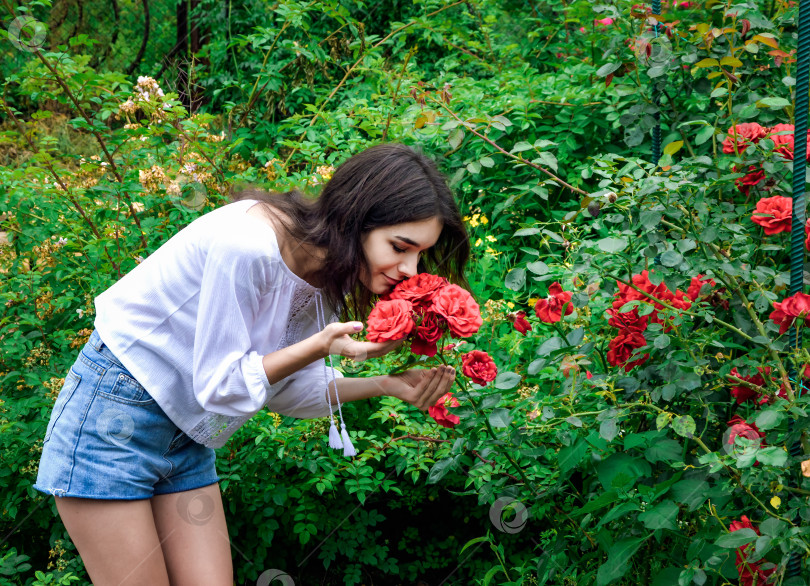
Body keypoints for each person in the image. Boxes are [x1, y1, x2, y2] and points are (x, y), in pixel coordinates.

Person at [34, 143, 471, 585]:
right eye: (400, 247)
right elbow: (220, 386)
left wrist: (388, 384)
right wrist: (319, 346)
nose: (409, 269)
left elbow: (281, 388)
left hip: (187, 435)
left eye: (420, 254)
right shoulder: (248, 245)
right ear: (357, 217)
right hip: (114, 417)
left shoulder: (327, 279)